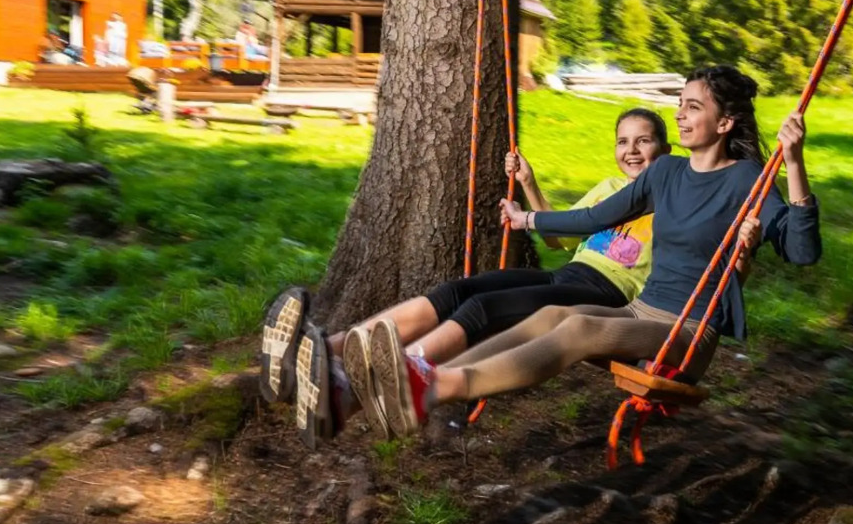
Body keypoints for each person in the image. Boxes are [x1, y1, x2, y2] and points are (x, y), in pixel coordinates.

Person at [360, 64, 822, 438]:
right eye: (680, 104)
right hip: (643, 310)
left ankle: (436, 385)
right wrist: (529, 219)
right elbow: (595, 217)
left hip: (689, 329)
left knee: (579, 324)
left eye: (693, 107)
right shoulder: (666, 174)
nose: (680, 115)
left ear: (724, 123)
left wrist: (795, 162)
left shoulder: (746, 180)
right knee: (549, 318)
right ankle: (418, 377)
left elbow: (801, 250)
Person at [259, 108, 671, 446]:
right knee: (456, 290)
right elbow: (559, 235)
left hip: (606, 295)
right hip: (569, 274)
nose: (631, 151)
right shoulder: (610, 188)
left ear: (664, 149)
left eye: (643, 141)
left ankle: (354, 391)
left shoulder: (675, 205)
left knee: (484, 309)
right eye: (623, 141)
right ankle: (325, 351)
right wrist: (528, 183)